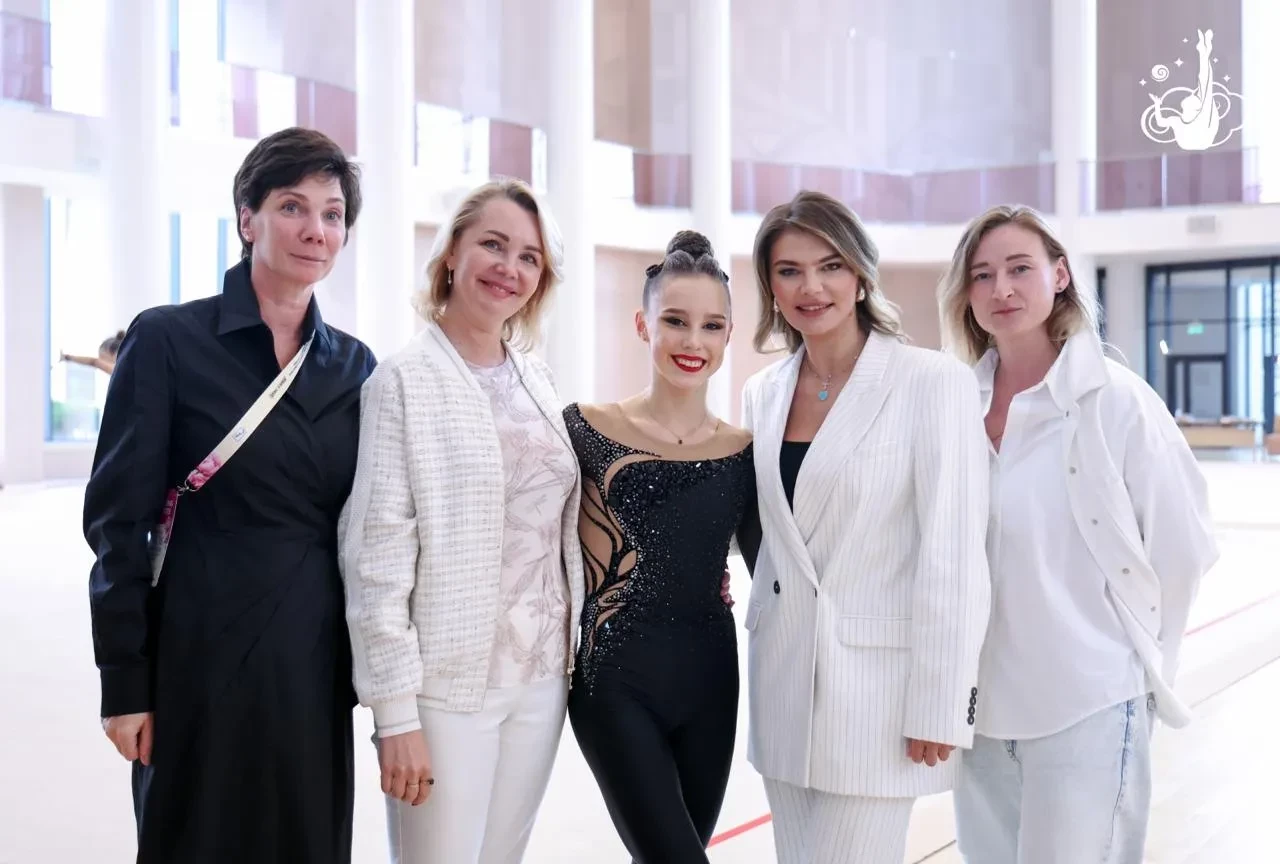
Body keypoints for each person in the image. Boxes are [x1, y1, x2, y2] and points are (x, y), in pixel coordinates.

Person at [83, 127, 375, 864]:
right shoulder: (168, 340)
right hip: (195, 654)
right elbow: (119, 521)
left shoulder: (354, 367)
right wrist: (124, 681)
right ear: (248, 218)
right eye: (291, 206)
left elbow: (369, 526)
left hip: (311, 665)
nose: (315, 230)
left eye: (333, 214)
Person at [937, 205, 1218, 864]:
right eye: (982, 275)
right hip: (981, 716)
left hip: (1088, 705)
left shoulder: (1116, 400)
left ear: (1060, 275)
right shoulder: (952, 407)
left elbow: (1183, 548)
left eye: (1019, 268)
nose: (1001, 289)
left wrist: (1138, 667)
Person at [739, 190, 991, 864]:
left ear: (860, 274)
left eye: (830, 266)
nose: (811, 287)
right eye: (789, 271)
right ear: (770, 286)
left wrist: (942, 700)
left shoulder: (931, 382)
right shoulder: (763, 393)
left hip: (879, 697)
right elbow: (771, 536)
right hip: (782, 686)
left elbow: (954, 553)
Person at [338, 178, 583, 864]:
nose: (510, 268)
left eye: (529, 257)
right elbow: (375, 560)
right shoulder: (402, 381)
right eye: (493, 245)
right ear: (452, 253)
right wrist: (395, 716)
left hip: (542, 679)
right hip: (447, 690)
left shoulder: (537, 379)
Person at [563, 230, 758, 863]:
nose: (692, 341)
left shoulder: (743, 452)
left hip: (712, 684)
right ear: (643, 325)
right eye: (675, 321)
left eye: (711, 326)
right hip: (614, 681)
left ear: (729, 336)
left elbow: (778, 566)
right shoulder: (585, 430)